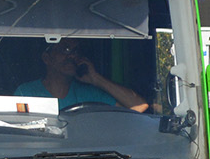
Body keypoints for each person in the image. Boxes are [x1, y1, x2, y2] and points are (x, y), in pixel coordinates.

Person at [16, 40, 149, 112]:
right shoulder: (26, 92)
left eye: (76, 51)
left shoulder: (91, 93)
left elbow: (139, 106)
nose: (73, 56)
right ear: (47, 58)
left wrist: (96, 79)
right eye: (65, 49)